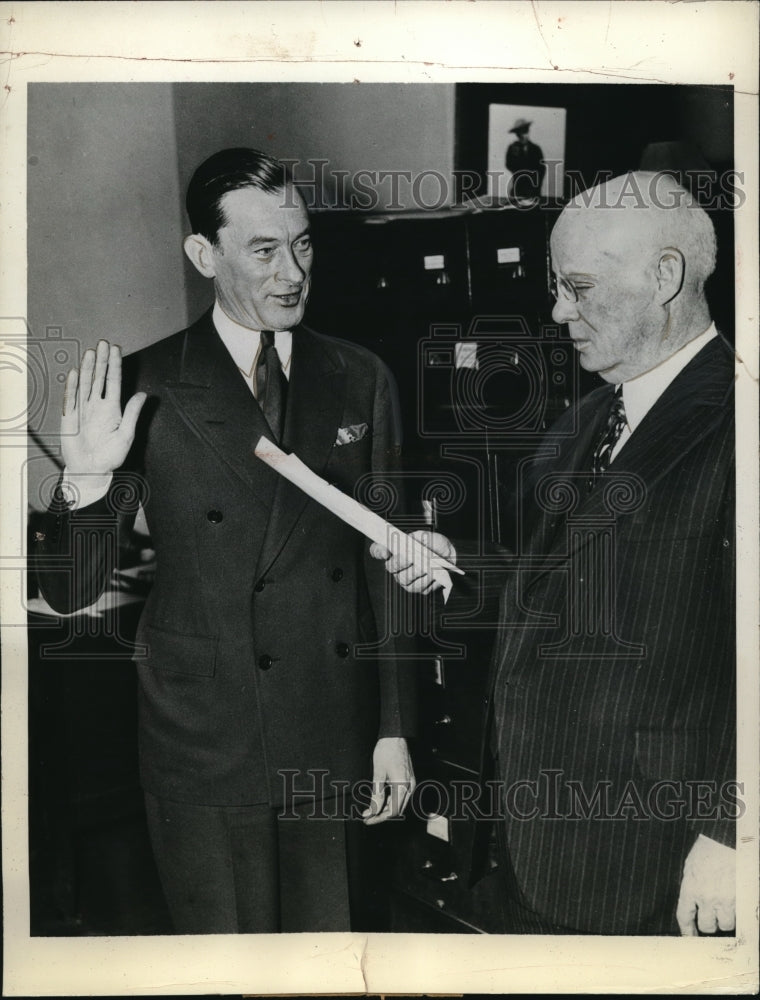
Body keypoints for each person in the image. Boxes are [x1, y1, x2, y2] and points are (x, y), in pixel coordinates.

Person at [34, 147, 416, 934]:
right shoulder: (145, 386)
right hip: (207, 739)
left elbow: (389, 569)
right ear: (204, 254)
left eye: (303, 244)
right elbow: (72, 592)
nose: (292, 273)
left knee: (329, 965)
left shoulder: (361, 377)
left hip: (331, 728)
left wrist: (395, 730)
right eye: (264, 250)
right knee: (227, 963)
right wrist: (87, 483)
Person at [372, 172, 736, 935]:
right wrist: (454, 562)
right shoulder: (583, 422)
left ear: (664, 276)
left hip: (659, 853)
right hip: (539, 839)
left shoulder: (738, 421)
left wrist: (735, 836)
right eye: (555, 286)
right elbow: (554, 584)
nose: (557, 311)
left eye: (578, 287)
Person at [505, 117, 545, 199]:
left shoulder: (536, 148)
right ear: (517, 134)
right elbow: (509, 164)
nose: (523, 134)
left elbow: (542, 169)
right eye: (520, 132)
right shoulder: (513, 148)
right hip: (518, 188)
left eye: (525, 130)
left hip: (533, 190)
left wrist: (537, 186)